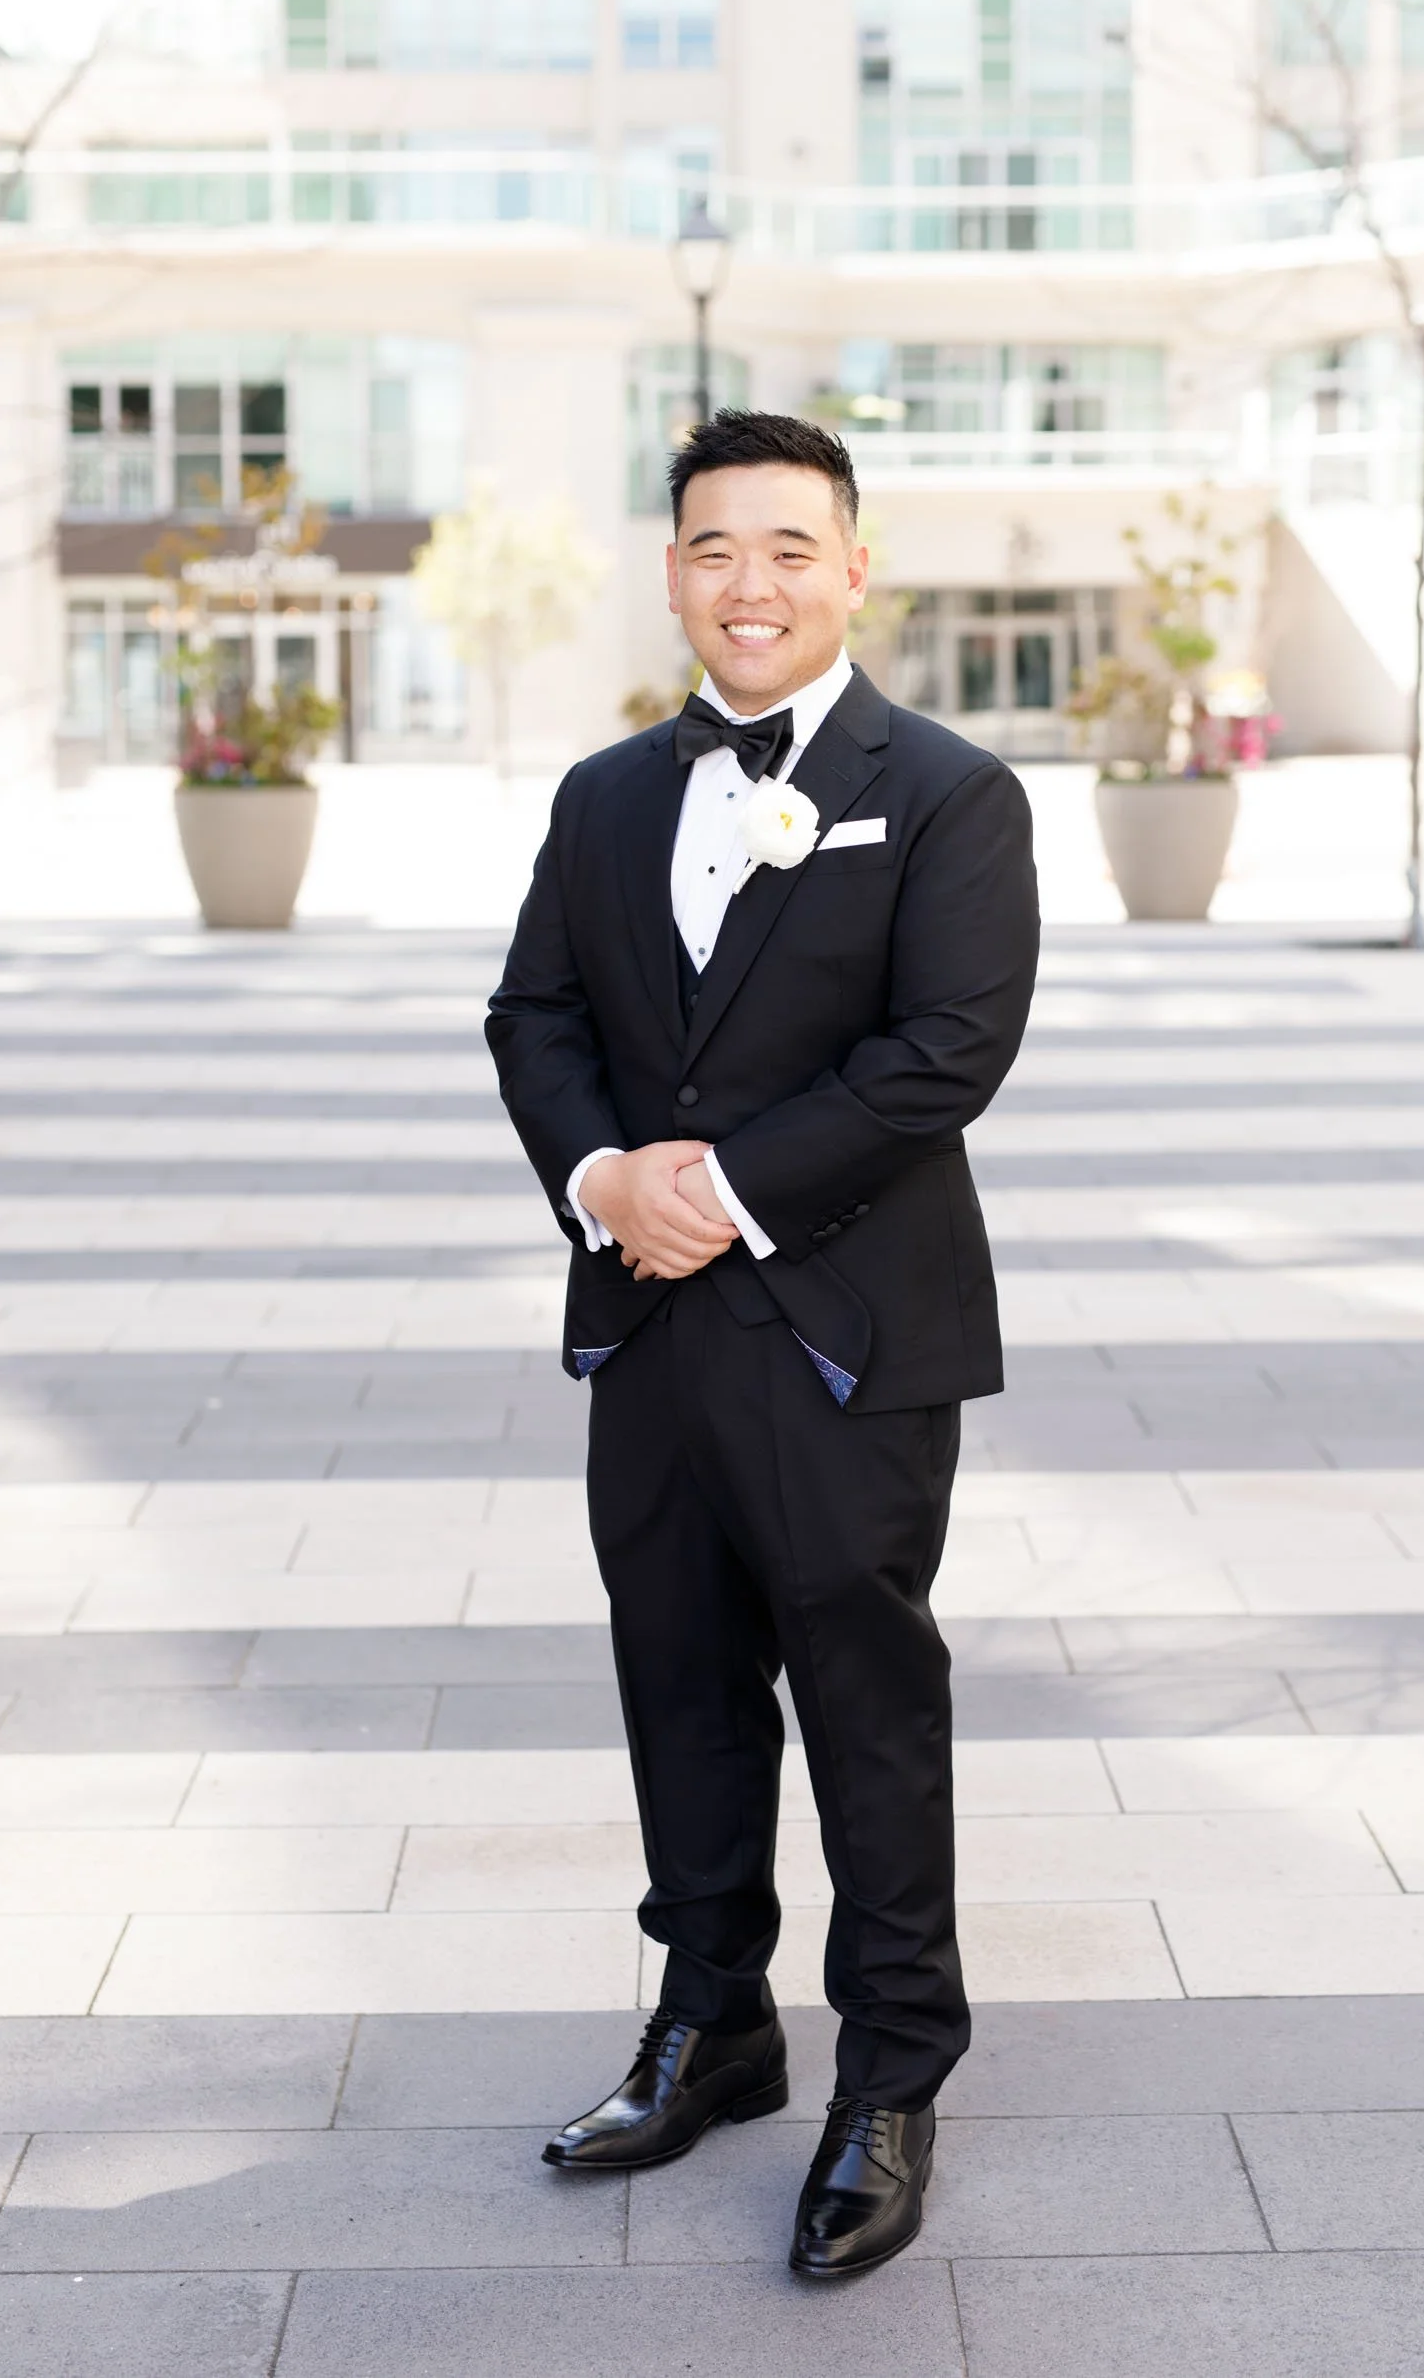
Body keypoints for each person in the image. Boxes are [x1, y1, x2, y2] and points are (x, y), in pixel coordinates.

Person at [486, 409, 1039, 2277]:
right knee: (679, 1681)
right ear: (671, 574)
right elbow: (533, 1012)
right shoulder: (602, 794)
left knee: (865, 1706)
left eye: (790, 547)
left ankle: (890, 2074)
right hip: (642, 1328)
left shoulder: (952, 792)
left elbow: (943, 1053)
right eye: (717, 547)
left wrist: (701, 1186)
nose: (752, 582)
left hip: (844, 1332)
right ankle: (712, 2020)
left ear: (853, 567)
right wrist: (593, 1174)